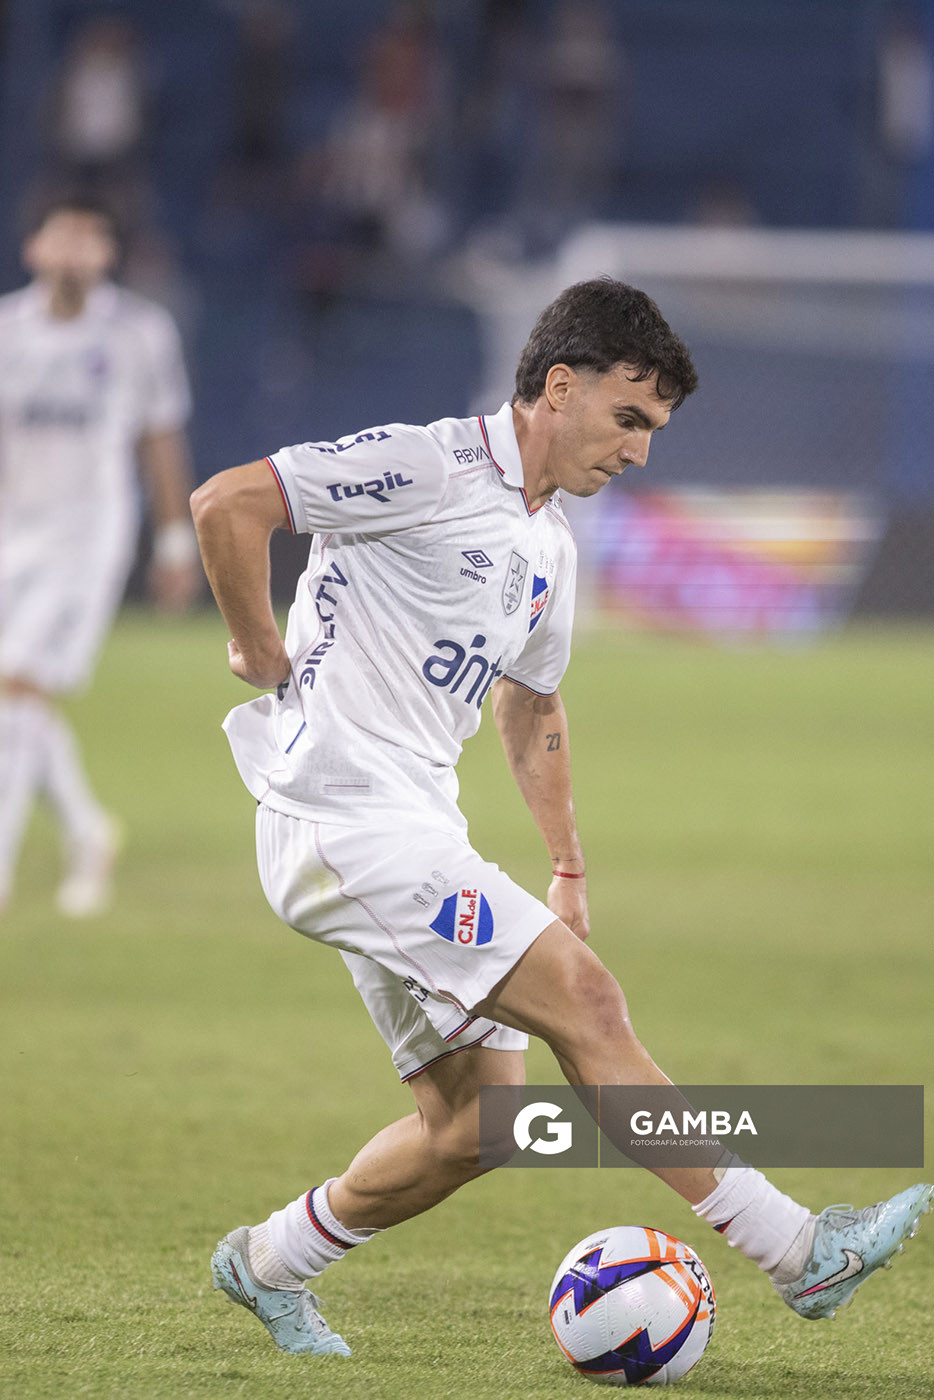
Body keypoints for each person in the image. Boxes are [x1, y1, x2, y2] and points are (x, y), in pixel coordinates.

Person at [191, 278, 931, 1358]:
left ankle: (266, 1261)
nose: (638, 451)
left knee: (475, 1128)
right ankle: (799, 1247)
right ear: (557, 384)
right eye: (628, 418)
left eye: (655, 431)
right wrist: (258, 647)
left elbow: (531, 702)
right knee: (588, 1002)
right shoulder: (430, 462)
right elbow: (227, 503)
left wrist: (567, 862)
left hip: (411, 824)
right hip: (340, 815)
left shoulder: (548, 547)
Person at [0, 196, 198, 917]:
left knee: (21, 684)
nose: (77, 249)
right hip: (11, 533)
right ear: (35, 248)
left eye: (92, 237)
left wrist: (175, 540)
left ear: (107, 256)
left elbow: (161, 437)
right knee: (15, 697)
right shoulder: (7, 331)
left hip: (86, 538)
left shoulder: (139, 332)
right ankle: (87, 832)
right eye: (64, 234)